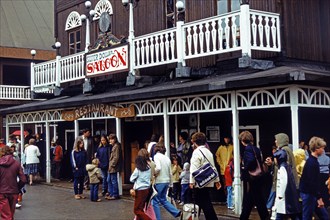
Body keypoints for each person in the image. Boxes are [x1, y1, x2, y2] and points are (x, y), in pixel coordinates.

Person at [189, 132, 221, 220]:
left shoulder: (196, 152)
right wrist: (217, 180)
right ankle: (195, 218)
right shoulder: (208, 152)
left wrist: (191, 182)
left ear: (194, 142)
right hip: (208, 180)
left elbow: (194, 169)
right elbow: (213, 167)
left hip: (199, 182)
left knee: (204, 203)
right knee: (202, 201)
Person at [239, 130, 269, 220]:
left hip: (252, 178)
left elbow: (251, 160)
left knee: (253, 199)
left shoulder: (248, 149)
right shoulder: (256, 148)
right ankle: (264, 216)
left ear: (243, 141)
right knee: (255, 199)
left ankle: (245, 217)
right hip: (259, 177)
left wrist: (245, 168)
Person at [299, 136, 329, 220]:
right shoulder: (312, 163)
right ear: (317, 149)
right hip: (309, 194)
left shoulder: (312, 161)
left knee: (324, 216)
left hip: (311, 194)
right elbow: (312, 183)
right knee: (307, 217)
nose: (323, 150)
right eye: (322, 148)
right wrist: (319, 198)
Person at [152, 143, 181, 219]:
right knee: (163, 199)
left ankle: (157, 218)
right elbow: (170, 172)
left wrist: (153, 173)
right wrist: (171, 184)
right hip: (167, 181)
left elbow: (158, 168)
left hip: (159, 181)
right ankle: (176, 212)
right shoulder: (167, 158)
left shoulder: (156, 157)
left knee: (155, 201)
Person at [0, 145, 27, 219]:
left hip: (2, 192)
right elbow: (23, 179)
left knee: (6, 215)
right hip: (13, 191)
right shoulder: (16, 163)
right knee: (10, 215)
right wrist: (17, 187)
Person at [273, 149, 300, 220]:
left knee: (280, 214)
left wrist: (280, 195)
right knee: (292, 214)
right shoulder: (287, 166)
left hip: (284, 196)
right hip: (288, 195)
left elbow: (283, 182)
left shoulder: (282, 168)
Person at [130, 150, 152, 220]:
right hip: (147, 189)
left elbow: (131, 179)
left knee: (136, 210)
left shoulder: (138, 169)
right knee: (141, 208)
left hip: (139, 190)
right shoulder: (148, 168)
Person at [106, 134, 122, 200]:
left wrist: (112, 164)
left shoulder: (116, 146)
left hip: (113, 166)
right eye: (110, 139)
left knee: (113, 180)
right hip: (111, 166)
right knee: (109, 179)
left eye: (112, 139)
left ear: (114, 139)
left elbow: (116, 157)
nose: (110, 141)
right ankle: (111, 193)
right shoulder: (114, 146)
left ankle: (115, 194)